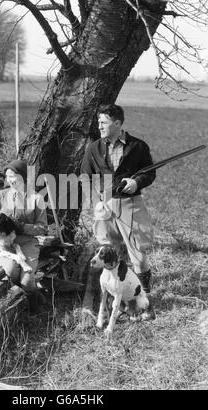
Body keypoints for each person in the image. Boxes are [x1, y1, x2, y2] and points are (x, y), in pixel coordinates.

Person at [80, 104, 156, 320]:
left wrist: (136, 181)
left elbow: (150, 173)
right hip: (104, 208)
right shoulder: (93, 148)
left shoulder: (138, 147)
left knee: (138, 256)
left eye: (103, 122)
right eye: (99, 122)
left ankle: (144, 299)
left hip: (131, 205)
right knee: (107, 252)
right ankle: (116, 298)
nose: (99, 126)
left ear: (117, 123)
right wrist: (95, 201)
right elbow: (85, 176)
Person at [0, 159, 48, 299]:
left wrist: (22, 227)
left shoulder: (37, 198)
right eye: (7, 176)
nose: (9, 180)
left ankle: (34, 303)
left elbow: (42, 228)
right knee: (11, 271)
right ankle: (18, 294)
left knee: (27, 280)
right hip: (5, 244)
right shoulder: (2, 195)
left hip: (27, 243)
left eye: (12, 176)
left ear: (23, 177)